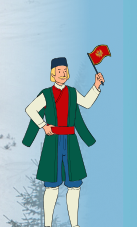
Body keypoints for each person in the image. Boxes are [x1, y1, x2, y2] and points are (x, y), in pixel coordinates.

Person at [22, 57, 103, 227]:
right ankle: (48, 225)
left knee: (74, 186)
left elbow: (87, 103)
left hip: (71, 142)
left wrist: (96, 86)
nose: (62, 73)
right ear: (53, 74)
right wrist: (43, 126)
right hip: (53, 143)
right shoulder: (46, 94)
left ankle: (75, 225)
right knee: (52, 186)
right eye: (59, 71)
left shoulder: (72, 93)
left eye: (64, 71)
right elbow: (30, 109)